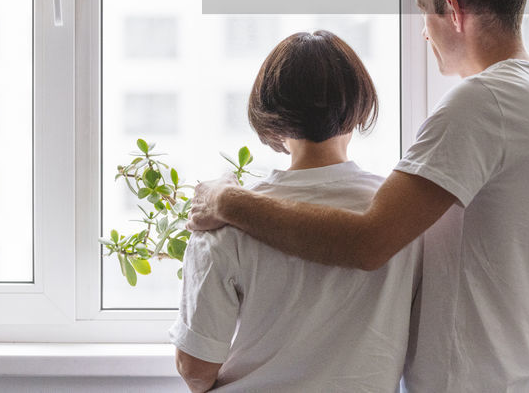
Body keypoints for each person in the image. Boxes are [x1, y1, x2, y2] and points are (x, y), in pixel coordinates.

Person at [189, 0, 529, 392]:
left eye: (425, 13)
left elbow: (368, 242)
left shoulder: (483, 103)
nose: (423, 31)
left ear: (453, 12)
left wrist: (228, 203)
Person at [169, 30, 421, 392]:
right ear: (359, 104)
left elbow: (195, 369)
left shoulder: (220, 221)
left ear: (271, 114)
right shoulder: (399, 215)